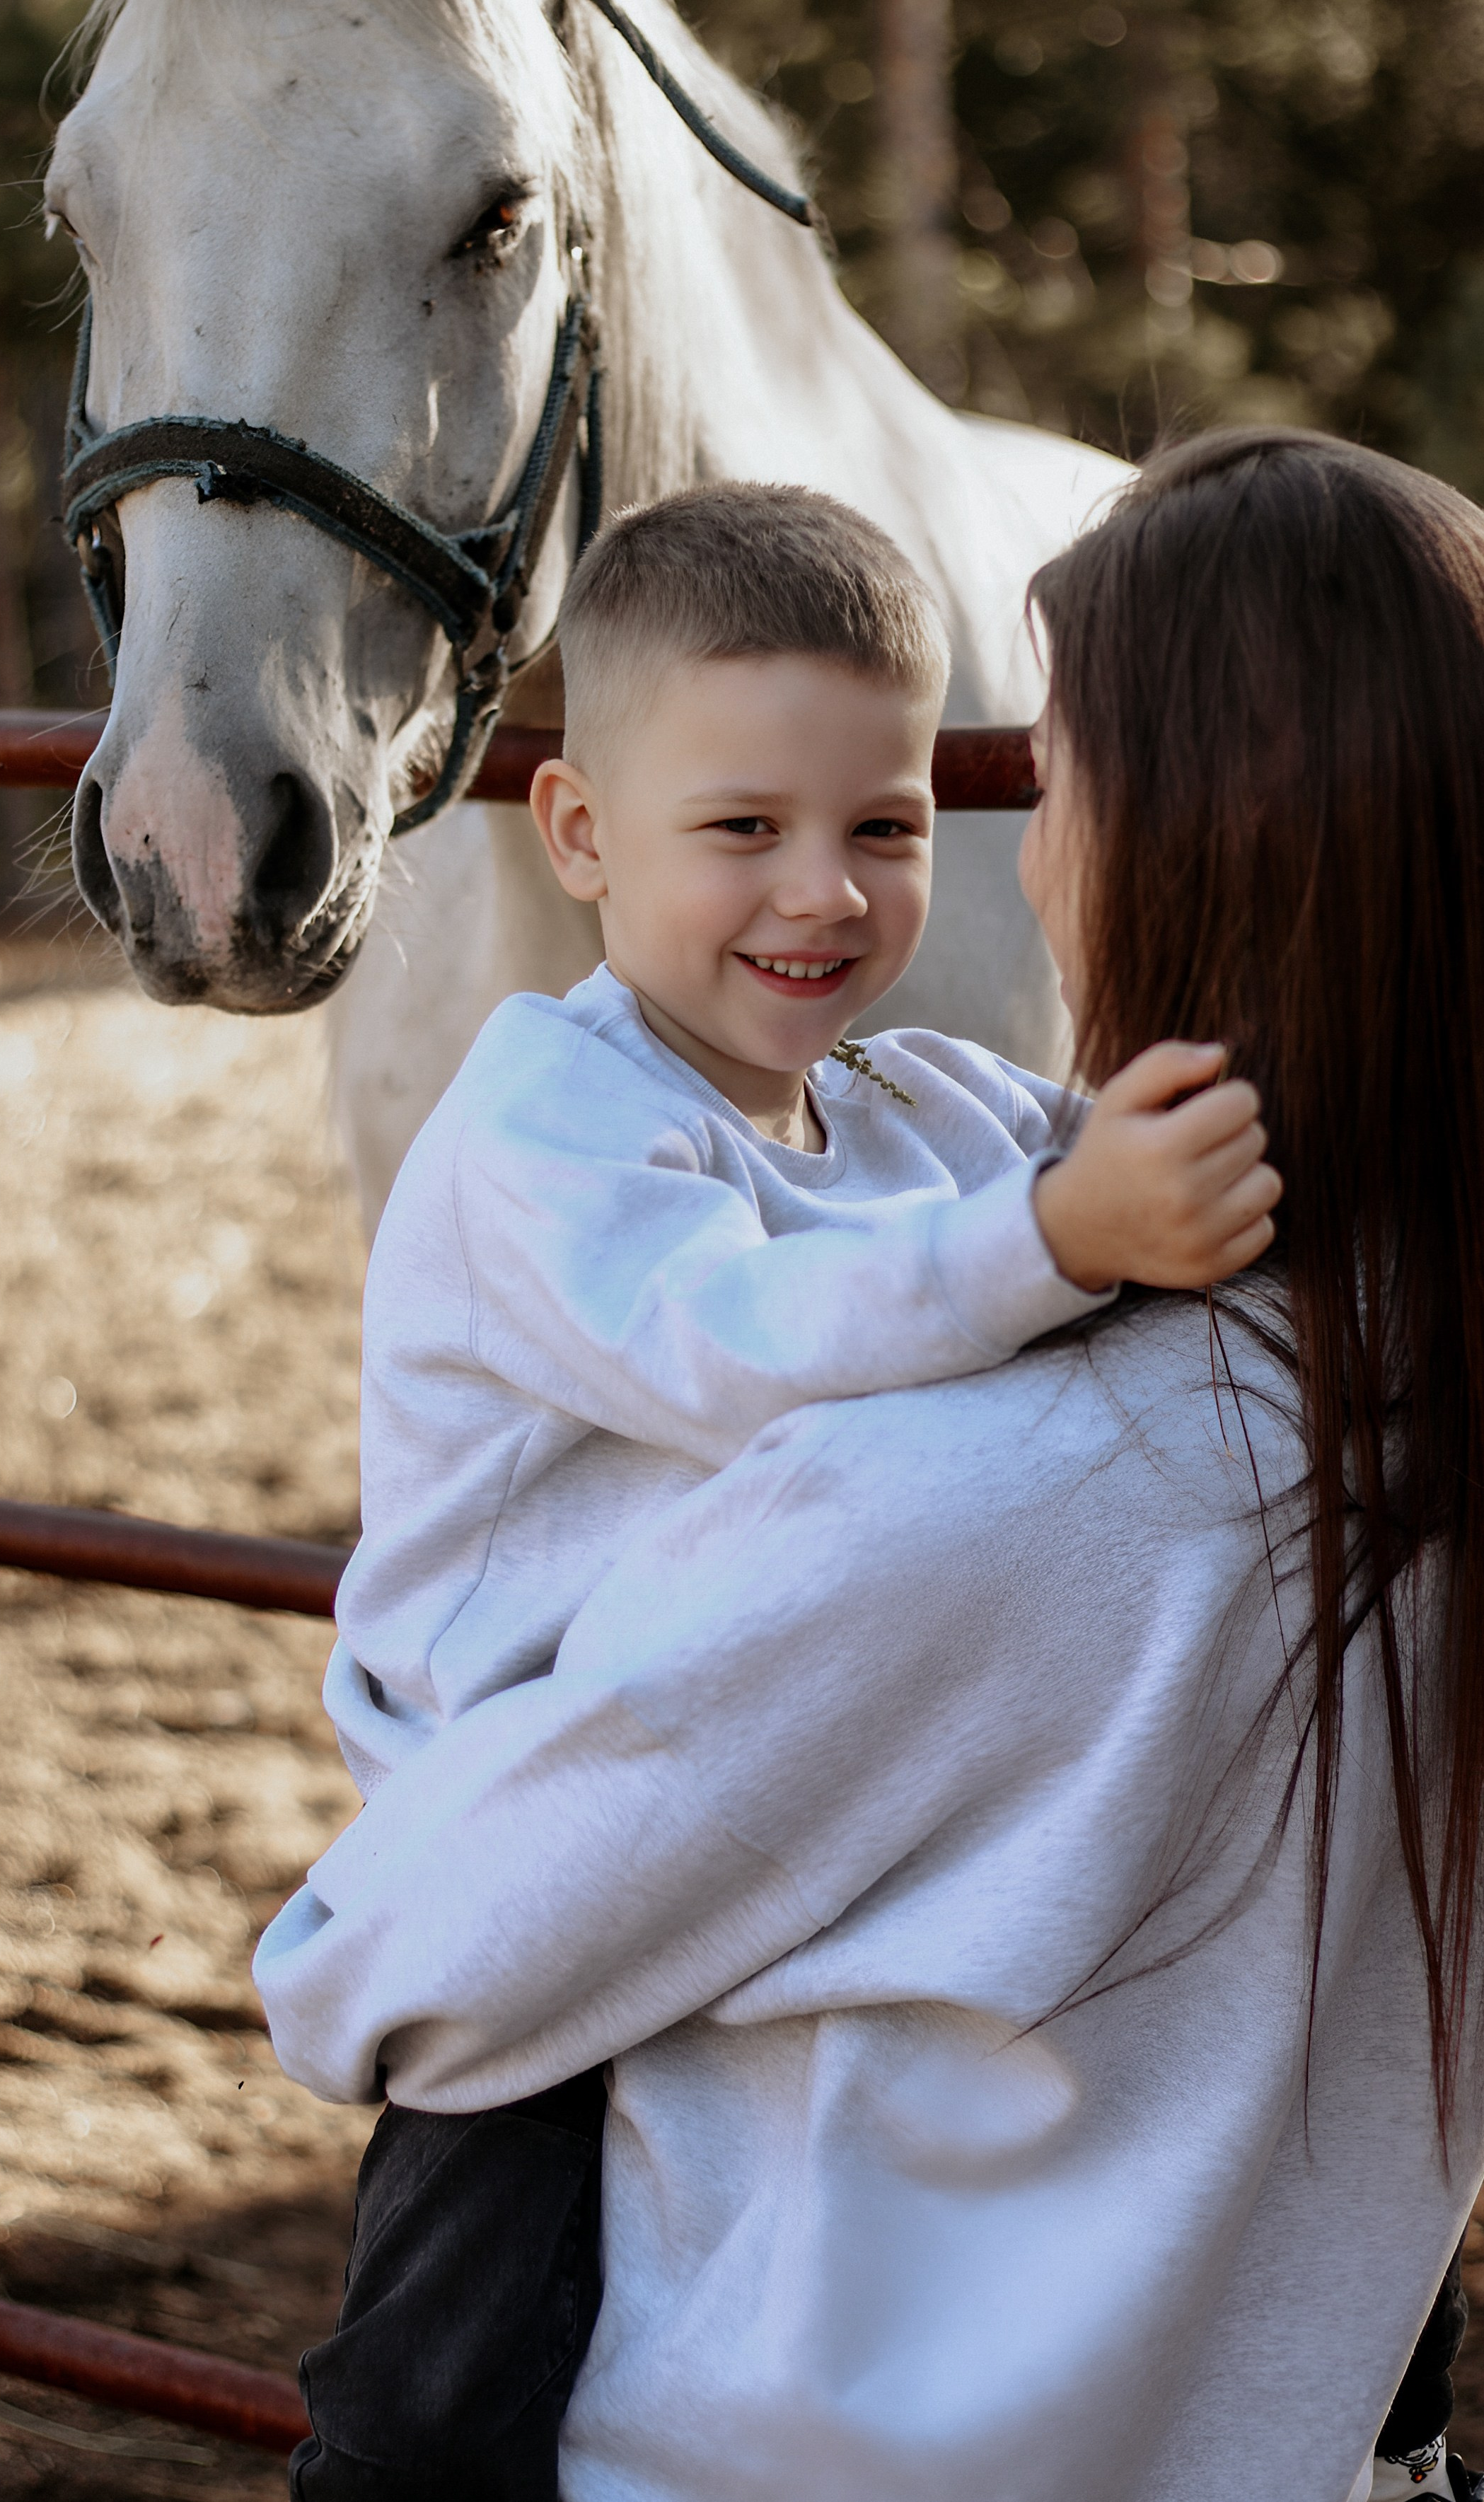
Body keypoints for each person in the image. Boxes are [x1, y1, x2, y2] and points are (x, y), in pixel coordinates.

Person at [259, 429, 1484, 2502]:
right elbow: (727, 1323)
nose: (856, 884)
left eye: (1006, 788)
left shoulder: (965, 1493)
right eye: (739, 823)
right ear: (580, 829)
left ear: (1193, 831)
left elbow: (370, 1971)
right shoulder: (1408, 1385)